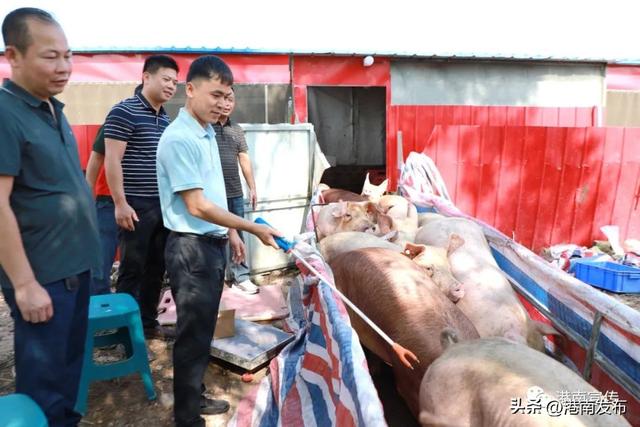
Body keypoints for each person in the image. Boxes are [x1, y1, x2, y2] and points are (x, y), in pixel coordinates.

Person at [156, 55, 281, 427]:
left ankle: (194, 397)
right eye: (215, 94)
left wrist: (231, 234)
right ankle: (187, 417)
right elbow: (196, 204)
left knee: (203, 329)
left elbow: (216, 191)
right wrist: (252, 227)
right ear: (189, 89)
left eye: (228, 95)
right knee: (192, 336)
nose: (223, 103)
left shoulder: (209, 132)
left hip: (210, 245)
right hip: (190, 249)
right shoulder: (179, 138)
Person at [0, 8, 101, 426]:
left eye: (68, 55)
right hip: (44, 279)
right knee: (43, 382)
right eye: (49, 56)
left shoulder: (51, 109)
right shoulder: (6, 113)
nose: (63, 67)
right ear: (13, 56)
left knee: (70, 372)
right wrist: (24, 283)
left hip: (76, 271)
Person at [103, 55, 178, 338]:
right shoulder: (124, 111)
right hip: (135, 204)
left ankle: (147, 324)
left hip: (161, 205)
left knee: (157, 267)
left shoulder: (165, 118)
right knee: (132, 268)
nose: (172, 86)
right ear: (146, 77)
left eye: (175, 82)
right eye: (166, 79)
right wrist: (120, 203)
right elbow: (112, 160)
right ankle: (124, 332)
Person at [85, 85, 143, 295]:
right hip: (108, 200)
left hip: (137, 203)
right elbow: (96, 157)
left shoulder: (157, 124)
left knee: (134, 263)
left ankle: (125, 312)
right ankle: (99, 315)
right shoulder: (119, 119)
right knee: (100, 263)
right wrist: (86, 194)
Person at [213, 89, 260, 293]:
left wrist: (252, 186)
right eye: (222, 98)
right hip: (213, 195)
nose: (226, 103)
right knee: (216, 236)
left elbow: (244, 158)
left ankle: (241, 276)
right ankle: (218, 279)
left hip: (234, 192)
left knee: (238, 233)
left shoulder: (237, 130)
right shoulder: (205, 127)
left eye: (230, 99)